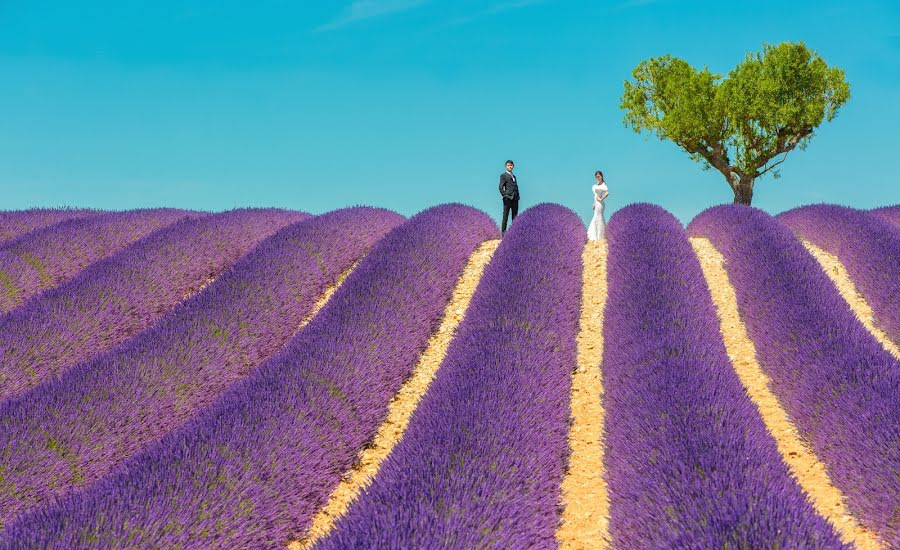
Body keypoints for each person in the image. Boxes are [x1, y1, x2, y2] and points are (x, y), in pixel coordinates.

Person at [498, 160, 519, 233]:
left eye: (511, 165)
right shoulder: (503, 175)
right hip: (507, 198)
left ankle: (513, 234)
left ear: (513, 166)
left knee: (515, 217)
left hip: (515, 198)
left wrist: (518, 196)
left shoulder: (514, 176)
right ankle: (503, 234)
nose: (510, 166)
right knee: (505, 216)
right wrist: (505, 195)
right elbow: (500, 187)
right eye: (508, 165)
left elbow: (516, 187)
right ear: (506, 166)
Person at [588, 170, 609, 241]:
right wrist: (594, 203)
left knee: (598, 217)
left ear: (602, 176)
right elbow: (595, 195)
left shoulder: (604, 185)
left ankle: (600, 236)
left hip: (600, 204)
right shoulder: (596, 185)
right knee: (595, 217)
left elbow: (607, 193)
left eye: (599, 176)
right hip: (596, 203)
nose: (598, 178)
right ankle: (595, 237)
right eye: (596, 177)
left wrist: (601, 199)